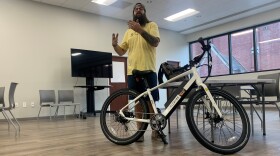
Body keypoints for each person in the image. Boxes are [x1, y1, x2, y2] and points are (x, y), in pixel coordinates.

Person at [112, 2, 160, 142]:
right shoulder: (128, 32)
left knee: (151, 103)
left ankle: (155, 130)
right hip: (133, 72)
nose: (138, 10)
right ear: (133, 13)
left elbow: (155, 42)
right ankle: (140, 132)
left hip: (149, 70)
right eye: (136, 9)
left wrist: (140, 30)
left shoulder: (152, 25)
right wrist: (115, 46)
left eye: (141, 8)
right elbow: (121, 52)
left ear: (144, 12)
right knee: (138, 103)